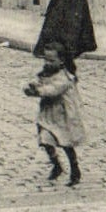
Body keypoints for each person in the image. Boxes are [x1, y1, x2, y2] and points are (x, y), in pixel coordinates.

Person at [24, 41, 84, 186]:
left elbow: (53, 90)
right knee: (44, 140)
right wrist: (31, 87)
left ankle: (74, 168)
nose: (47, 62)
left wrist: (39, 91)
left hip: (62, 115)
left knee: (65, 142)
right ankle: (56, 164)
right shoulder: (46, 72)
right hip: (48, 114)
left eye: (51, 60)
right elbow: (38, 81)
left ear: (61, 61)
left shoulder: (65, 77)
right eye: (45, 59)